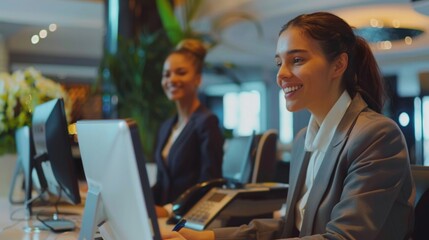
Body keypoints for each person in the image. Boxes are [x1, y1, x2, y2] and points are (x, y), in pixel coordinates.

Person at [162, 12, 415, 240]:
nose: (281, 74)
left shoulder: (376, 135)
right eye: (278, 63)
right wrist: (208, 238)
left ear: (338, 65)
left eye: (296, 60)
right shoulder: (303, 139)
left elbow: (342, 237)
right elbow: (290, 226)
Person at [152, 39, 224, 217]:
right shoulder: (166, 126)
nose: (172, 79)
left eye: (181, 73)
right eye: (166, 74)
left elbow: (209, 184)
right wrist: (140, 202)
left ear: (197, 79)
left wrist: (168, 210)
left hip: (186, 220)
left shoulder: (207, 122)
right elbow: (162, 183)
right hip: (161, 220)